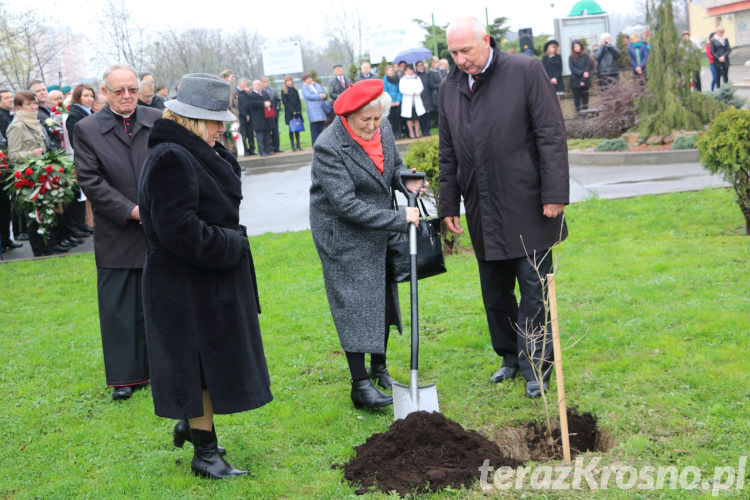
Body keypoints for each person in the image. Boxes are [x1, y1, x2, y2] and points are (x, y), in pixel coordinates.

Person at [138, 72, 272, 479]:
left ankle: (195, 425)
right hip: (184, 285)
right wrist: (231, 244)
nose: (222, 127)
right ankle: (205, 455)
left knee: (207, 363)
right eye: (215, 120)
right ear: (193, 120)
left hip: (201, 282)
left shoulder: (192, 151)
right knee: (198, 367)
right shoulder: (171, 158)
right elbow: (178, 230)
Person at [439, 17, 568, 399]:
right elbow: (448, 152)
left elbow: (550, 135)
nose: (461, 60)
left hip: (528, 202)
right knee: (495, 293)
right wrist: (448, 203)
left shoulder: (526, 71)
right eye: (454, 53)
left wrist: (554, 192)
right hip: (481, 206)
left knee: (533, 290)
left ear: (487, 41)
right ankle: (509, 358)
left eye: (467, 51)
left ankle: (536, 366)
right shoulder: (449, 87)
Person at [309, 79, 423, 409]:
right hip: (341, 233)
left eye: (377, 119)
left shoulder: (383, 128)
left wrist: (407, 182)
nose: (373, 127)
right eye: (366, 121)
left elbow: (394, 168)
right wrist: (401, 217)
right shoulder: (329, 145)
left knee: (383, 296)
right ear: (348, 117)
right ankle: (360, 384)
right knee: (355, 302)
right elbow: (345, 205)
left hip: (376, 226)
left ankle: (380, 369)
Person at [73, 63, 163, 400]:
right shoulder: (87, 128)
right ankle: (124, 376)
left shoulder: (156, 119)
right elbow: (90, 180)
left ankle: (160, 368)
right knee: (119, 308)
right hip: (117, 230)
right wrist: (130, 210)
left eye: (132, 90)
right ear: (105, 93)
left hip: (157, 227)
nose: (127, 96)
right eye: (119, 90)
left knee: (158, 302)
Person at [6, 91, 66, 257]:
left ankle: (50, 248)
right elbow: (13, 155)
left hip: (42, 173)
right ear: (18, 107)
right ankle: (40, 252)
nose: (33, 107)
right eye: (28, 104)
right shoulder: (16, 126)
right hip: (27, 178)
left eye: (34, 103)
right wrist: (32, 154)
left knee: (48, 212)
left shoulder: (35, 122)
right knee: (34, 216)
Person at [63, 83, 97, 238]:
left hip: (92, 156)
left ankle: (82, 224)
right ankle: (75, 225)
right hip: (84, 158)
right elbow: (74, 140)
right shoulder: (75, 115)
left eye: (91, 95)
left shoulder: (89, 112)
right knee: (78, 195)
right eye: (85, 95)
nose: (89, 99)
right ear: (77, 97)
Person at [0, 88, 24, 253]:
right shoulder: (2, 117)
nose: (10, 100)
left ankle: (7, 239)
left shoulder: (9, 115)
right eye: (6, 97)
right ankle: (7, 238)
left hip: (7, 165)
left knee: (6, 205)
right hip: (5, 163)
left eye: (11, 97)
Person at [398, 64, 425, 138]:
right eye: (407, 70)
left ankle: (417, 132)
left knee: (417, 118)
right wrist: (411, 93)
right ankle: (411, 132)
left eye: (410, 70)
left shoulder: (417, 78)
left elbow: (421, 87)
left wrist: (416, 92)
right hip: (408, 100)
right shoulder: (402, 79)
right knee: (409, 118)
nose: (409, 71)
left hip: (416, 99)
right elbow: (402, 89)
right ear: (405, 71)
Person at [247, 80, 273, 157]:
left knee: (267, 136)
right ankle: (262, 152)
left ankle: (268, 150)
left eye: (259, 84)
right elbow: (252, 104)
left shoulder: (264, 93)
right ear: (253, 85)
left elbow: (269, 100)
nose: (258, 86)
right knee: (260, 137)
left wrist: (269, 103)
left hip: (266, 118)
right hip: (258, 119)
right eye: (257, 84)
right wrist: (263, 104)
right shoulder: (251, 95)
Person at [301, 74, 327, 145]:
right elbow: (308, 96)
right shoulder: (304, 87)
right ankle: (315, 144)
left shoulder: (316, 85)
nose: (309, 80)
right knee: (315, 127)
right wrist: (319, 96)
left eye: (310, 78)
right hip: (313, 110)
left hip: (321, 108)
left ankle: (321, 143)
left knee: (321, 126)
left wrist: (322, 95)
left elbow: (323, 92)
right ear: (304, 81)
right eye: (307, 79)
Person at [569, 40, 591, 113]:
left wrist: (583, 80)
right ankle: (579, 113)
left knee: (585, 98)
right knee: (577, 98)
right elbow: (572, 68)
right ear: (573, 48)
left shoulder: (586, 56)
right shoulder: (571, 57)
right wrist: (582, 73)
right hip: (575, 80)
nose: (577, 48)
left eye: (578, 46)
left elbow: (587, 67)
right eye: (575, 47)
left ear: (581, 47)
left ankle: (586, 113)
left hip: (585, 80)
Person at [281, 76, 303, 151]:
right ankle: (292, 145)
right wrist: (292, 110)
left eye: (290, 80)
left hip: (297, 112)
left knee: (297, 129)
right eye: (288, 81)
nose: (289, 82)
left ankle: (298, 145)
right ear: (285, 82)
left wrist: (298, 110)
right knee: (291, 129)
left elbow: (298, 101)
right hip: (289, 113)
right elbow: (285, 102)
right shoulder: (284, 91)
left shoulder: (295, 89)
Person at [262, 77, 282, 153]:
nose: (266, 83)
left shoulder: (273, 90)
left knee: (275, 131)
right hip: (266, 116)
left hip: (275, 114)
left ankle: (277, 147)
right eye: (264, 82)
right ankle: (270, 148)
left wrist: (278, 106)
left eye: (267, 82)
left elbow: (278, 100)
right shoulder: (261, 92)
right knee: (268, 133)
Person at [382, 65, 402, 139]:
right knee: (391, 119)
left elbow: (399, 90)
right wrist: (391, 102)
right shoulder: (384, 80)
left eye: (392, 70)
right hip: (390, 103)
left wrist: (398, 100)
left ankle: (399, 134)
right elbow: (385, 92)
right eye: (389, 70)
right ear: (386, 72)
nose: (391, 72)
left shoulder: (397, 79)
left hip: (397, 102)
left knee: (398, 119)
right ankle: (392, 134)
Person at [236, 78, 255, 156]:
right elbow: (239, 106)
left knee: (250, 134)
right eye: (244, 84)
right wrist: (245, 115)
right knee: (243, 135)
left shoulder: (246, 92)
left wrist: (248, 92)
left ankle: (252, 150)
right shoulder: (236, 93)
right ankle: (245, 151)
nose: (246, 86)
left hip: (250, 116)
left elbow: (250, 102)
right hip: (241, 117)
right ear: (240, 84)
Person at [415, 60, 433, 136]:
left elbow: (430, 85)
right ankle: (423, 131)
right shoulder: (415, 76)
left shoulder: (427, 74)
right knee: (421, 116)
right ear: (416, 67)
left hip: (427, 96)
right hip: (419, 97)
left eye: (421, 65)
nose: (420, 67)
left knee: (427, 115)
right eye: (418, 65)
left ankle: (428, 131)